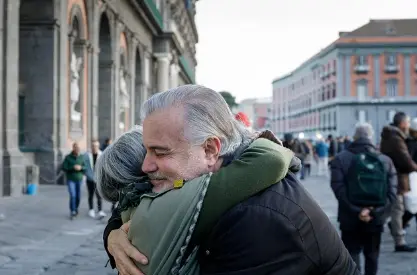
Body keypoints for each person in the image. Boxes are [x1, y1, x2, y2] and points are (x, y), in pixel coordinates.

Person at [103, 85, 359, 275]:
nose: (146, 165)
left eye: (160, 152)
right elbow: (138, 198)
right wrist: (113, 235)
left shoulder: (258, 218)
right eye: (147, 150)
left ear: (210, 150)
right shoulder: (199, 179)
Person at [96, 126, 295, 274]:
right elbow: (272, 159)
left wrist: (111, 235)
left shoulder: (133, 209)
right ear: (147, 174)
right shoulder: (182, 199)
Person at [331, 122, 396, 275]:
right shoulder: (385, 160)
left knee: (352, 256)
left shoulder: (341, 158)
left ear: (354, 137)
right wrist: (373, 212)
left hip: (349, 217)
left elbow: (338, 189)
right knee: (372, 256)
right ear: (371, 137)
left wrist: (358, 211)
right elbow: (392, 192)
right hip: (376, 219)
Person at [380, 112, 417, 252]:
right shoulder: (396, 138)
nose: (408, 125)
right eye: (407, 122)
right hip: (397, 178)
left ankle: (376, 226)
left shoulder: (391, 136)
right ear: (402, 123)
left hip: (393, 177)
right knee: (397, 209)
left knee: (390, 208)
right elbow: (405, 159)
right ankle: (399, 241)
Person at [62, 142, 86, 219]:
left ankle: (76, 208)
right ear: (73, 148)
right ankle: (72, 211)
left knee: (78, 196)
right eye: (75, 147)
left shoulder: (82, 157)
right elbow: (64, 168)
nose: (77, 149)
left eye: (78, 148)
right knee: (73, 195)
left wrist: (81, 168)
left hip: (79, 179)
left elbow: (86, 167)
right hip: (71, 179)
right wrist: (73, 167)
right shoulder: (68, 157)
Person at [84, 139, 106, 219]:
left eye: (96, 146)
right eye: (93, 146)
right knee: (90, 195)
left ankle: (100, 210)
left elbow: (104, 166)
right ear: (91, 146)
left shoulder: (102, 154)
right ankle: (91, 209)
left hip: (98, 179)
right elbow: (84, 165)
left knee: (99, 195)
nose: (94, 147)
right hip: (89, 178)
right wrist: (87, 174)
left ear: (98, 146)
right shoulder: (86, 155)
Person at [403, 117, 417, 229]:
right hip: (413, 176)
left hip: (412, 175)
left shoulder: (407, 141)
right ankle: (401, 223)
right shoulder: (411, 142)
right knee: (413, 205)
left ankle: (401, 223)